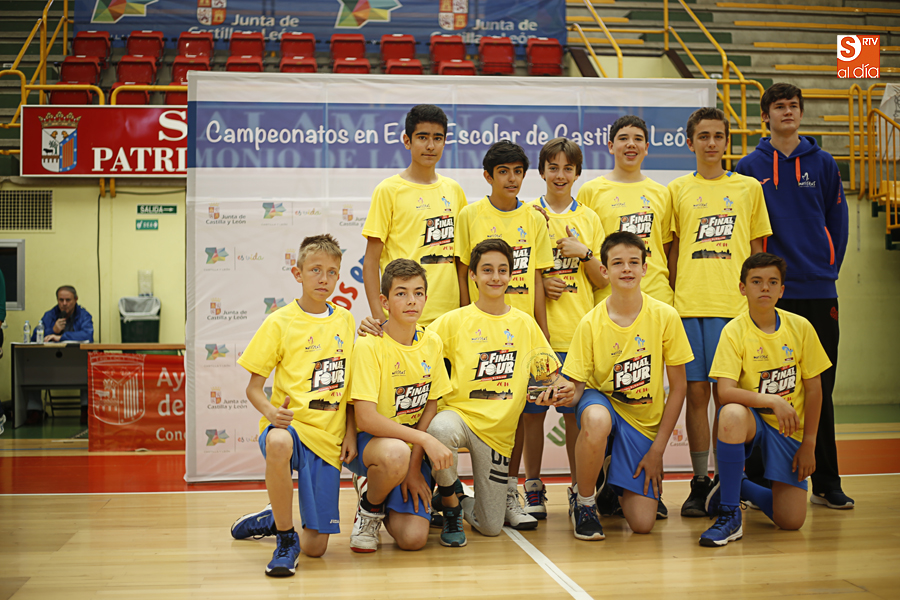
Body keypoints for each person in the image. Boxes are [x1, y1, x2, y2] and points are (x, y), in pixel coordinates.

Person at [735, 83, 853, 510]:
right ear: (765, 116)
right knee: (764, 387)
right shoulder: (749, 166)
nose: (788, 112)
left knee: (819, 386)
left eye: (794, 106)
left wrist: (826, 269)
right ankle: (755, 480)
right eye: (779, 107)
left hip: (818, 289)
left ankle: (826, 479)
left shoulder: (823, 163)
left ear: (801, 114)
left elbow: (837, 222)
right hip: (770, 293)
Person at [229, 234, 357, 577]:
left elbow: (349, 388)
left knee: (315, 549)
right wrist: (271, 413)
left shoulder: (345, 321)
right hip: (292, 430)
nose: (323, 279)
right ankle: (285, 538)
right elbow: (254, 388)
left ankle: (274, 515)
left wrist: (350, 432)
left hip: (328, 439)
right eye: (315, 270)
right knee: (277, 440)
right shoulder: (279, 322)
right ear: (297, 273)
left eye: (332, 272)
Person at [427, 239, 567, 546]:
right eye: (487, 270)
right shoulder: (453, 321)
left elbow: (550, 377)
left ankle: (459, 499)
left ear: (512, 275)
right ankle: (450, 502)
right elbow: (413, 344)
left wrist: (558, 390)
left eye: (503, 270)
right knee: (439, 429)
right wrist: (379, 327)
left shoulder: (524, 324)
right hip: (459, 418)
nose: (495, 277)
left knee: (490, 527)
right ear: (473, 276)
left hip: (497, 436)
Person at [668, 107, 772, 517]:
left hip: (733, 310)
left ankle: (732, 480)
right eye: (704, 136)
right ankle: (700, 481)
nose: (711, 143)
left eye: (718, 136)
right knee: (696, 393)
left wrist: (757, 302)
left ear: (727, 141)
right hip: (689, 306)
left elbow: (759, 251)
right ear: (690, 142)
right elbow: (670, 251)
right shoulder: (677, 189)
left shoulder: (748, 188)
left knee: (732, 402)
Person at [556, 231, 692, 540]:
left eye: (634, 262)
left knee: (643, 524)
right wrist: (565, 394)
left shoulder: (665, 316)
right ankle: (585, 502)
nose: (627, 269)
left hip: (642, 424)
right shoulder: (590, 322)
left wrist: (657, 450)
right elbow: (576, 387)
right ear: (604, 271)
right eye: (618, 263)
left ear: (646, 268)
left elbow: (679, 388)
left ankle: (610, 483)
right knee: (595, 419)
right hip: (602, 406)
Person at [454, 140, 554, 530]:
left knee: (521, 418)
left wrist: (542, 331)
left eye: (518, 172)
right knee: (481, 412)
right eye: (503, 172)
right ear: (488, 176)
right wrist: (466, 318)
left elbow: (539, 278)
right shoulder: (469, 214)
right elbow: (463, 272)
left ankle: (510, 490)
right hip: (479, 335)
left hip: (521, 334)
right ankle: (447, 493)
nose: (511, 179)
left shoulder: (534, 218)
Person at [700, 252, 830, 546]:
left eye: (773, 282)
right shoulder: (733, 331)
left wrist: (809, 443)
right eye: (756, 281)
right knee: (730, 413)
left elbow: (815, 389)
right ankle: (730, 514)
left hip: (789, 431)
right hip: (754, 421)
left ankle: (737, 487)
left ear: (782, 290)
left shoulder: (801, 327)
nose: (765, 288)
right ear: (743, 288)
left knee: (791, 522)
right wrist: (772, 401)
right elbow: (725, 391)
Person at [521, 137, 606, 520]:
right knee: (533, 414)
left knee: (573, 416)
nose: (560, 174)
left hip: (577, 336)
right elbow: (519, 273)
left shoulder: (588, 218)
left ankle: (578, 488)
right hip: (539, 336)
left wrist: (583, 252)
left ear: (577, 174)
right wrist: (544, 282)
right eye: (552, 167)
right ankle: (533, 485)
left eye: (567, 168)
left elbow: (603, 279)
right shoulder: (528, 213)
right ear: (541, 172)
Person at [344, 259, 453, 553]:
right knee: (394, 454)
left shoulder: (432, 341)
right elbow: (365, 418)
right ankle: (370, 506)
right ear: (385, 301)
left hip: (411, 451)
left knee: (413, 539)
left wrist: (415, 465)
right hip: (377, 445)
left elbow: (431, 404)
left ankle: (388, 491)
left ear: (426, 299)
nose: (411, 301)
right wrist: (424, 440)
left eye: (418, 293)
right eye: (401, 293)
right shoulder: (370, 344)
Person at [362, 104, 467, 328]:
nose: (430, 145)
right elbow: (370, 261)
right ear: (407, 141)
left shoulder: (454, 190)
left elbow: (461, 260)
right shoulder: (388, 190)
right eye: (422, 137)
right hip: (403, 317)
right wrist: (379, 315)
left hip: (449, 317)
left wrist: (465, 310)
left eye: (437, 138)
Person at [575, 115, 675, 307]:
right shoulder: (591, 191)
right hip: (608, 298)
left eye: (638, 139)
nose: (631, 144)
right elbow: (584, 252)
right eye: (623, 138)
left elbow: (666, 250)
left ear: (646, 148)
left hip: (656, 297)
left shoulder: (662, 193)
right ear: (611, 146)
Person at [25, 285, 95, 425]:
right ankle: (35, 410)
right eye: (61, 300)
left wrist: (61, 336)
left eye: (68, 300)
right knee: (30, 366)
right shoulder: (50, 315)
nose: (64, 304)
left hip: (77, 361)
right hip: (50, 362)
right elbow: (34, 338)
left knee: (88, 369)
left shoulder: (83, 315)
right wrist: (53, 329)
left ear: (75, 299)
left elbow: (88, 335)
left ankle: (85, 410)